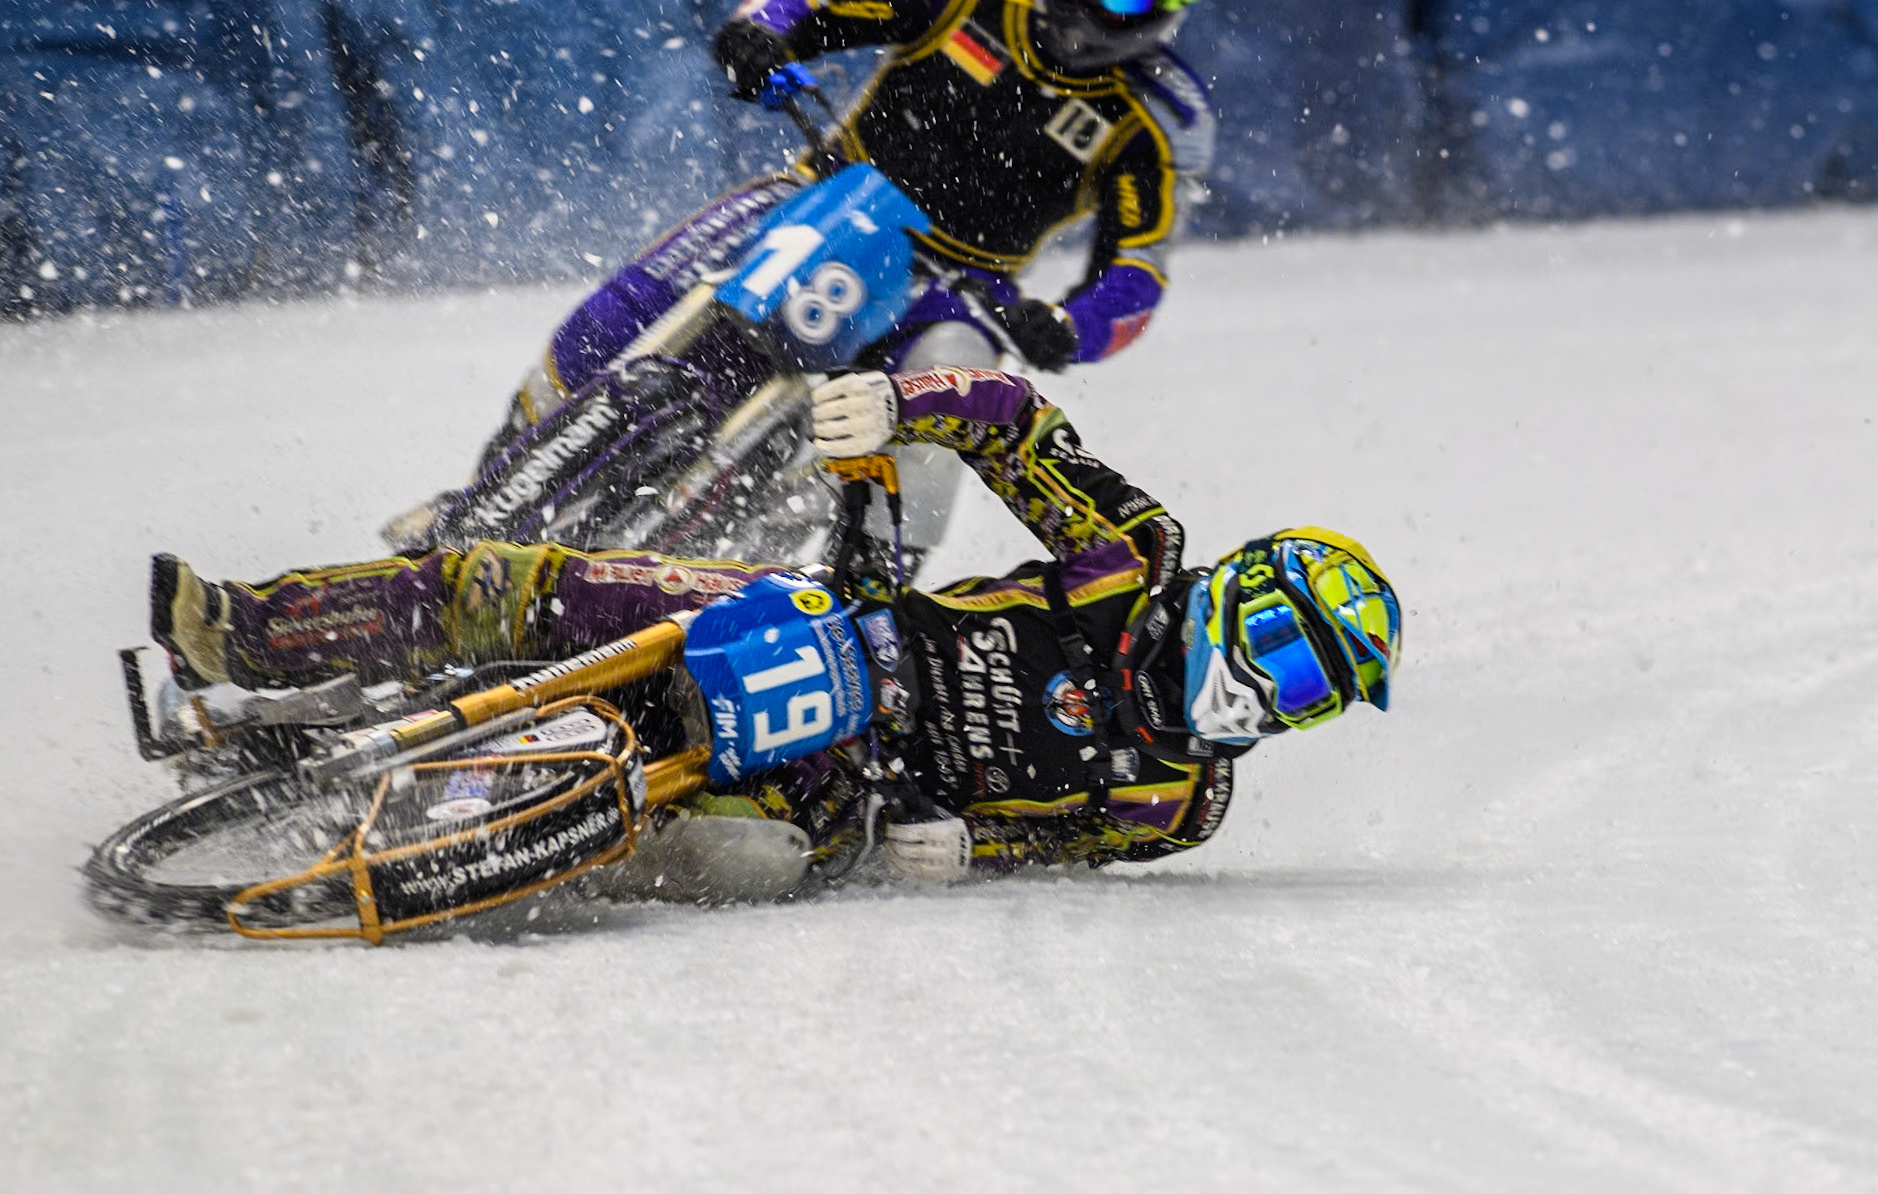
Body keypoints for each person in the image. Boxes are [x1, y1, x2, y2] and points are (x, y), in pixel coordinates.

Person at [154, 365, 1399, 882]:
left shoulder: (1180, 806)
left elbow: (1055, 847)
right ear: (1243, 595)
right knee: (530, 586)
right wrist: (901, 401)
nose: (1275, 696)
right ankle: (250, 634)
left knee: (705, 859)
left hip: (850, 786)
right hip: (842, 629)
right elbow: (1017, 424)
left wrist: (965, 851)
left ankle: (385, 839)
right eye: (1288, 655)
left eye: (1313, 697)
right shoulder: (1135, 560)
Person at [426, 0, 1216, 555]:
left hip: (957, 289)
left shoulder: (1159, 117)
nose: (1105, 3)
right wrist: (760, 36)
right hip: (825, 196)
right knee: (624, 309)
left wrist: (1064, 328)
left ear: (1178, 2)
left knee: (950, 415)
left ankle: (861, 598)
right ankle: (486, 488)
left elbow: (1138, 277)